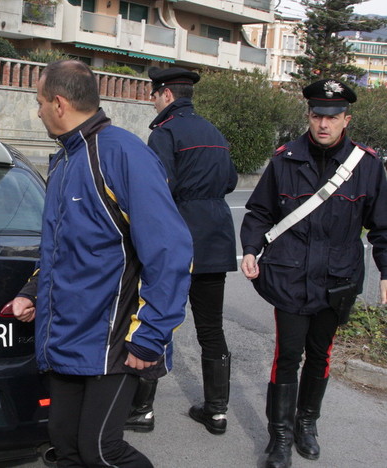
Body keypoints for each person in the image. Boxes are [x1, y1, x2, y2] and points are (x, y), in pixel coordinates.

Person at [11, 60, 193, 467]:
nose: (37, 111)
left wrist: (151, 334)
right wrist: (32, 291)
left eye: (39, 102)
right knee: (65, 443)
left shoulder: (122, 155)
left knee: (101, 451)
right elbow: (60, 247)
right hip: (66, 336)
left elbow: (170, 251)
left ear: (58, 103)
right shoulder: (63, 160)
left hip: (113, 339)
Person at [240, 78, 387, 468]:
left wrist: (386, 273)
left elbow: (382, 227)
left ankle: (307, 424)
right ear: (308, 115)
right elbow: (258, 211)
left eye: (333, 117)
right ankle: (281, 437)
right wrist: (251, 248)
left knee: (320, 355)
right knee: (287, 355)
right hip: (289, 277)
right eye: (317, 115)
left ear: (347, 119)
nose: (324, 124)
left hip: (337, 281)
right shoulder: (284, 158)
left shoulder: (367, 166)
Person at [125, 67, 238, 436]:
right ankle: (218, 411)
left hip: (177, 242)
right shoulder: (214, 132)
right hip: (217, 238)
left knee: (157, 320)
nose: (152, 101)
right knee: (211, 329)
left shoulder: (165, 132)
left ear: (167, 95)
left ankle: (142, 410)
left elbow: (157, 190)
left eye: (154, 95)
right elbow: (232, 181)